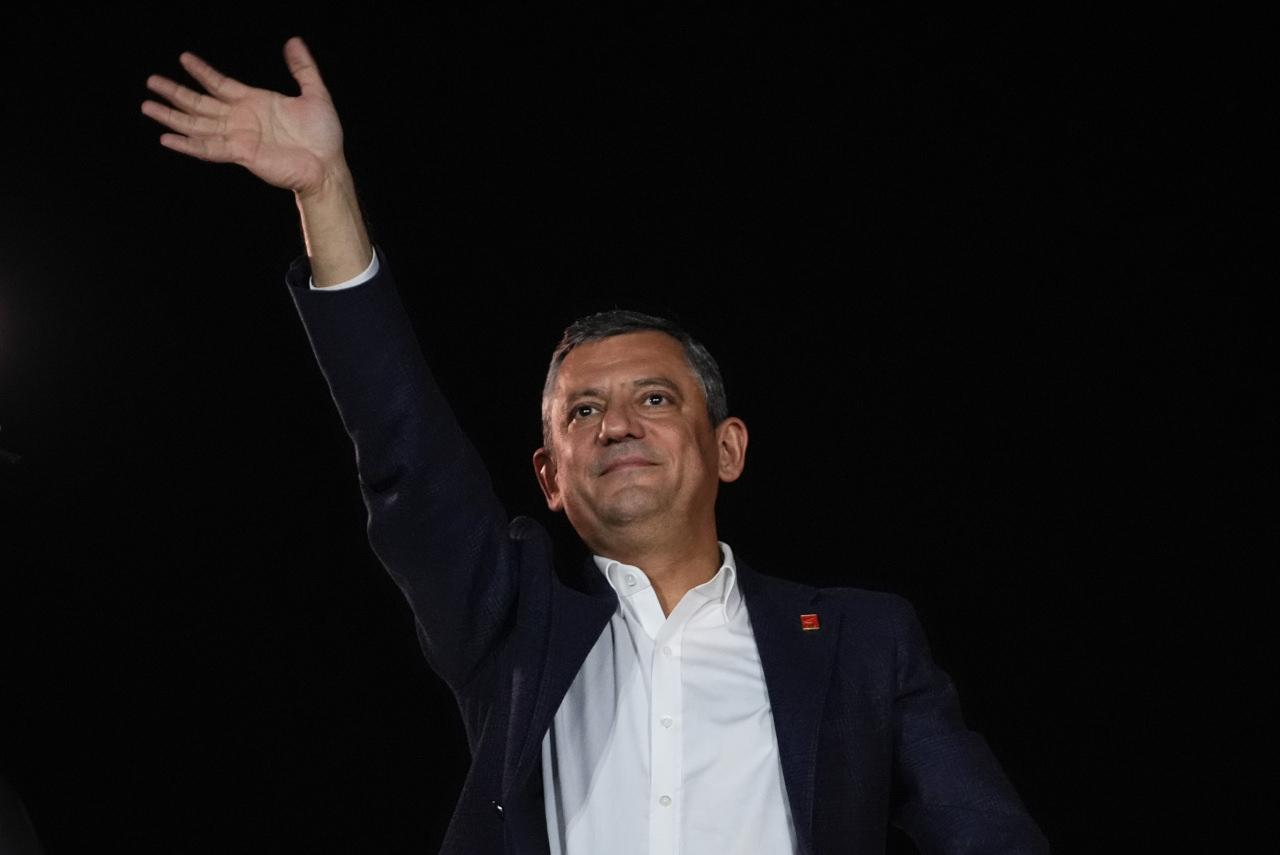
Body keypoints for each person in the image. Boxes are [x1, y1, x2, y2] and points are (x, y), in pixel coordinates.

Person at [143, 37, 1050, 855]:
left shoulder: (862, 640)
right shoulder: (512, 617)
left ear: (728, 448)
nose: (616, 424)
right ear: (548, 475)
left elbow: (986, 832)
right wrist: (326, 191)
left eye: (655, 398)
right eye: (582, 411)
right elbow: (404, 446)